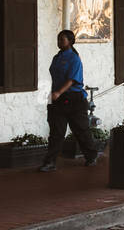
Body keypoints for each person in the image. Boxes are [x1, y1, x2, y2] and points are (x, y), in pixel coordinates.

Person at [39, 29, 101, 171]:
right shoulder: (57, 57)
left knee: (81, 130)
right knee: (56, 132)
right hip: (58, 99)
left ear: (71, 41)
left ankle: (91, 156)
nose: (59, 42)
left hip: (74, 100)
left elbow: (72, 80)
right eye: (58, 39)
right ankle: (50, 163)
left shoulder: (74, 58)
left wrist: (58, 92)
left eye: (62, 39)